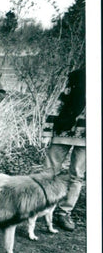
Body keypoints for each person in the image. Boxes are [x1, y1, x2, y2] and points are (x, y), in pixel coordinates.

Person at [44, 65, 85, 231]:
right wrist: (47, 131)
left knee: (77, 175)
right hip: (63, 131)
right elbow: (58, 104)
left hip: (88, 138)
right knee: (49, 171)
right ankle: (41, 203)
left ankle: (63, 212)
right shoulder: (77, 77)